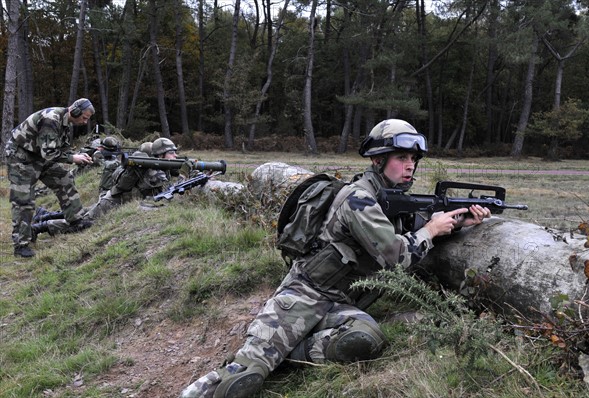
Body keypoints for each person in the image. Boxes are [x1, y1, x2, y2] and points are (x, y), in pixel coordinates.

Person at [179, 119, 492, 398]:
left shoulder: (390, 198)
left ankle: (286, 351)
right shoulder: (359, 199)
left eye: (413, 159)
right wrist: (431, 231)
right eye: (401, 157)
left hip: (341, 302)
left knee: (364, 338)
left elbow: (413, 224)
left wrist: (456, 222)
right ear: (378, 159)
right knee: (240, 382)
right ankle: (257, 358)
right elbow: (396, 257)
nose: (410, 165)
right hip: (305, 295)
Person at [31, 138, 180, 237]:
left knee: (83, 213)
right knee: (83, 224)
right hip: (112, 203)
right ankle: (38, 228)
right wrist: (184, 175)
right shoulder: (154, 172)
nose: (175, 156)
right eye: (172, 153)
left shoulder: (158, 168)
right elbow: (171, 193)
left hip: (113, 199)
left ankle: (44, 215)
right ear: (160, 155)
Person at [5, 98, 96, 258]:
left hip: (39, 156)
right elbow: (49, 152)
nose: (85, 121)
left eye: (87, 119)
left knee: (63, 178)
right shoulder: (51, 119)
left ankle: (75, 220)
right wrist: (73, 158)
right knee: (23, 201)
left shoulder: (65, 123)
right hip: (21, 157)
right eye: (84, 117)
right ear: (74, 111)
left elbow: (62, 148)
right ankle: (21, 245)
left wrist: (79, 156)